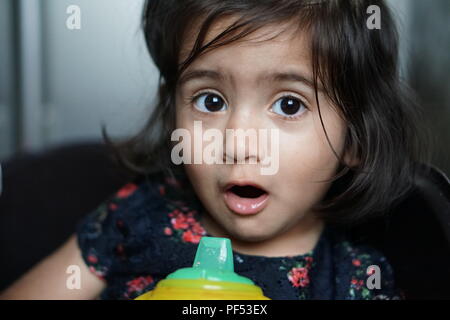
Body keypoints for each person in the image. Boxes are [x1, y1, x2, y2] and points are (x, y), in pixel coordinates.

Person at [0, 0, 430, 300]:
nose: (240, 143)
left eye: (289, 105)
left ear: (353, 139)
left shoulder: (356, 279)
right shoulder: (138, 217)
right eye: (211, 101)